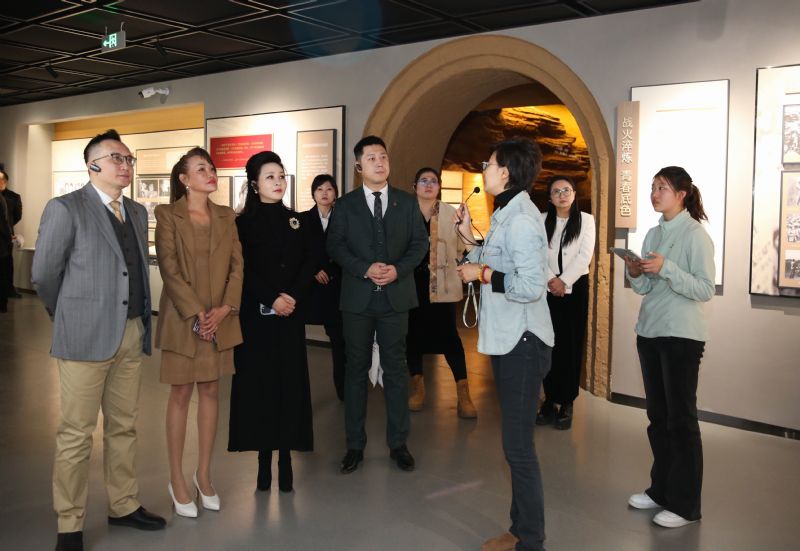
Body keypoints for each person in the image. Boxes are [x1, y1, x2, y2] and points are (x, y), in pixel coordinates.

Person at [31, 129, 165, 551]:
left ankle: (123, 505)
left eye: (128, 159)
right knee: (76, 433)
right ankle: (69, 523)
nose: (126, 166)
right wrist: (68, 314)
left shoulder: (137, 211)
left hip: (132, 332)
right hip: (85, 337)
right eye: (117, 158)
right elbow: (44, 274)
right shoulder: (66, 208)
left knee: (124, 426)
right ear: (92, 165)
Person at [456, 137, 553, 551]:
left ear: (506, 171)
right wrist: (468, 238)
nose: (484, 168)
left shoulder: (522, 220)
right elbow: (497, 259)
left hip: (523, 342)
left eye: (488, 163)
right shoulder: (507, 212)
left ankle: (529, 539)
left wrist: (480, 274)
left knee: (518, 447)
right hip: (510, 339)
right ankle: (520, 530)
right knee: (515, 445)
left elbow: (530, 285)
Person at [327, 135, 427, 474]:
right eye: (371, 158)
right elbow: (335, 246)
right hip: (357, 299)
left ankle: (399, 443)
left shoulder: (406, 202)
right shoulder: (346, 205)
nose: (379, 162)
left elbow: (419, 244)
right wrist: (364, 268)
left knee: (396, 370)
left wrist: (398, 269)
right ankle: (354, 445)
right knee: (355, 371)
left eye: (383, 156)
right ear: (359, 166)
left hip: (396, 298)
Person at [624, 166, 715, 528]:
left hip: (682, 336)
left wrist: (667, 268)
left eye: (661, 187)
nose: (654, 193)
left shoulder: (696, 235)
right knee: (658, 419)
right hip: (650, 332)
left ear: (681, 194)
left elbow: (704, 289)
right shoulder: (653, 233)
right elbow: (646, 288)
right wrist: (635, 273)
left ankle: (685, 505)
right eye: (653, 187)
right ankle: (660, 490)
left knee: (681, 421)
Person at [154, 147, 243, 517]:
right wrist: (196, 313)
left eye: (212, 167)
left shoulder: (226, 215)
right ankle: (176, 479)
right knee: (180, 394)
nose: (210, 173)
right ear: (184, 178)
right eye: (201, 168)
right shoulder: (167, 215)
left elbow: (238, 266)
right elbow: (169, 267)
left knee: (210, 391)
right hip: (182, 319)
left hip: (219, 319)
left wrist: (223, 309)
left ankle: (203, 475)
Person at [228, 151, 315, 493]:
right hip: (256, 321)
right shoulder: (241, 225)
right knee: (260, 388)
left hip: (289, 317)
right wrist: (271, 298)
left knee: (289, 386)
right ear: (254, 184)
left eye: (281, 176)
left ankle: (286, 458)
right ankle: (263, 460)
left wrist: (291, 296)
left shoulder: (296, 221)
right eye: (270, 177)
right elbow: (242, 270)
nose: (278, 182)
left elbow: (309, 262)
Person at [406, 167, 477, 418]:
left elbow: (466, 247)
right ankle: (417, 387)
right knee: (412, 336)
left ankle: (463, 393)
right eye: (423, 180)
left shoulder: (451, 213)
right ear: (414, 186)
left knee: (450, 338)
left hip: (443, 286)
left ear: (439, 186)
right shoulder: (403, 213)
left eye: (434, 181)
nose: (428, 185)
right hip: (411, 286)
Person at [536, 175, 595, 430]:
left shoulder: (586, 220)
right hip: (548, 288)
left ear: (574, 194)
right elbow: (537, 254)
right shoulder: (541, 220)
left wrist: (564, 281)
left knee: (571, 344)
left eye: (566, 190)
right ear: (550, 198)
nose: (562, 195)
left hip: (576, 288)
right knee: (548, 344)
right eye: (556, 191)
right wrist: (552, 280)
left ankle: (567, 401)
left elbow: (584, 256)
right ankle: (549, 399)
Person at [302, 174, 347, 401]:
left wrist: (331, 270)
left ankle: (343, 390)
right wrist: (313, 270)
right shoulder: (302, 220)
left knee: (340, 342)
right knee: (296, 341)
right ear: (313, 194)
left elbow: (349, 251)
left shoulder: (344, 219)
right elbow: (298, 253)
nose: (324, 193)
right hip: (311, 289)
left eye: (329, 189)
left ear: (335, 193)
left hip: (336, 287)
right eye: (319, 189)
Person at [0, 168, 21, 303]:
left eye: (2, 179)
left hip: (6, 236)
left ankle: (8, 289)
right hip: (5, 233)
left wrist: (7, 230)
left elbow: (17, 216)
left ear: (6, 181)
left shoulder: (13, 197)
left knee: (7, 263)